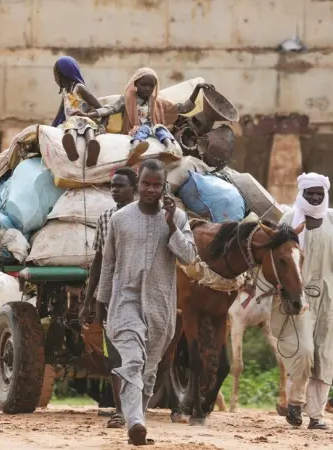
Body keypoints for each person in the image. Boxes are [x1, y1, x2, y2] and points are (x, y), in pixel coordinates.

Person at [96, 158, 197, 445]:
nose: (151, 190)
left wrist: (171, 226)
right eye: (146, 184)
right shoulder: (120, 219)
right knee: (132, 360)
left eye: (157, 185)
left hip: (160, 305)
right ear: (137, 184)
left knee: (148, 368)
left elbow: (189, 257)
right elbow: (108, 263)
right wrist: (101, 301)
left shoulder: (176, 218)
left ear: (164, 187)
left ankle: (136, 420)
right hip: (124, 301)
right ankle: (136, 422)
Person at [272, 173, 333, 430]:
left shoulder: (331, 218)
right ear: (302, 193)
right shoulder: (289, 221)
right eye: (311, 193)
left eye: (319, 193)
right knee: (304, 350)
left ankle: (316, 415)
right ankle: (295, 402)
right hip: (299, 296)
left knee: (325, 355)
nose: (315, 197)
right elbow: (278, 259)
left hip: (329, 296)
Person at [81, 166, 137, 429]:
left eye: (121, 185)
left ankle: (136, 408)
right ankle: (119, 410)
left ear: (134, 189)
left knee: (139, 356)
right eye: (112, 186)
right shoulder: (105, 218)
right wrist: (89, 301)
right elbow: (99, 262)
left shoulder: (148, 217)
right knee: (115, 356)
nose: (115, 189)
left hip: (141, 295)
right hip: (113, 295)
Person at [86, 68, 212, 159]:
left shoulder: (159, 103)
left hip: (154, 132)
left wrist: (197, 89)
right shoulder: (126, 100)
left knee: (162, 129)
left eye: (150, 86)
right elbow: (109, 109)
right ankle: (135, 147)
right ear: (136, 84)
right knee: (144, 129)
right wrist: (90, 115)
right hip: (134, 132)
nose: (147, 88)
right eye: (143, 84)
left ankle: (169, 149)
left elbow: (184, 108)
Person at [50, 56, 104, 167]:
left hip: (85, 118)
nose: (54, 78)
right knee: (71, 128)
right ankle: (72, 149)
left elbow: (99, 106)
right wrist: (50, 128)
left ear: (62, 74)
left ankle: (92, 147)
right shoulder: (65, 92)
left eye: (55, 74)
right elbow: (59, 113)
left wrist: (90, 116)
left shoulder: (79, 88)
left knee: (87, 128)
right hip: (71, 122)